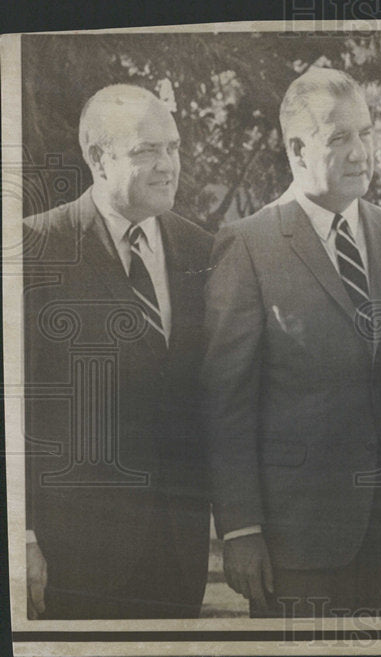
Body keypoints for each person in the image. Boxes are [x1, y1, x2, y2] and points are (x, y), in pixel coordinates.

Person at [202, 67, 381, 617]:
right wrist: (241, 529)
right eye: (339, 137)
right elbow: (225, 402)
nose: (360, 152)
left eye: (366, 133)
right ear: (298, 149)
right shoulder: (248, 244)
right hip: (297, 538)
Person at [23, 84, 212, 619]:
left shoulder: (201, 249)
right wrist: (22, 533)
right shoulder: (37, 249)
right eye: (146, 150)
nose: (167, 165)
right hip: (72, 555)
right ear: (98, 158)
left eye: (173, 147)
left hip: (178, 553)